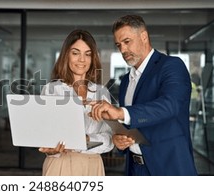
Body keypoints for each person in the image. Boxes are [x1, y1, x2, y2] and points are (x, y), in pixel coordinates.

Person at [89, 15, 198, 176]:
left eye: (127, 42)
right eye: (119, 45)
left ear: (144, 36)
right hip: (135, 169)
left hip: (169, 169)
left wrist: (120, 112)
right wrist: (119, 140)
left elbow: (170, 105)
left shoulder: (171, 65)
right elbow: (132, 124)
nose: (123, 50)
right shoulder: (126, 80)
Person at [39, 29, 114, 176]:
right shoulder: (52, 90)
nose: (82, 59)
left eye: (87, 54)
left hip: (93, 166)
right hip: (60, 164)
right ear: (66, 55)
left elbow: (110, 140)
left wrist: (85, 140)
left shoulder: (102, 92)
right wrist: (51, 149)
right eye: (75, 53)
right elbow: (45, 135)